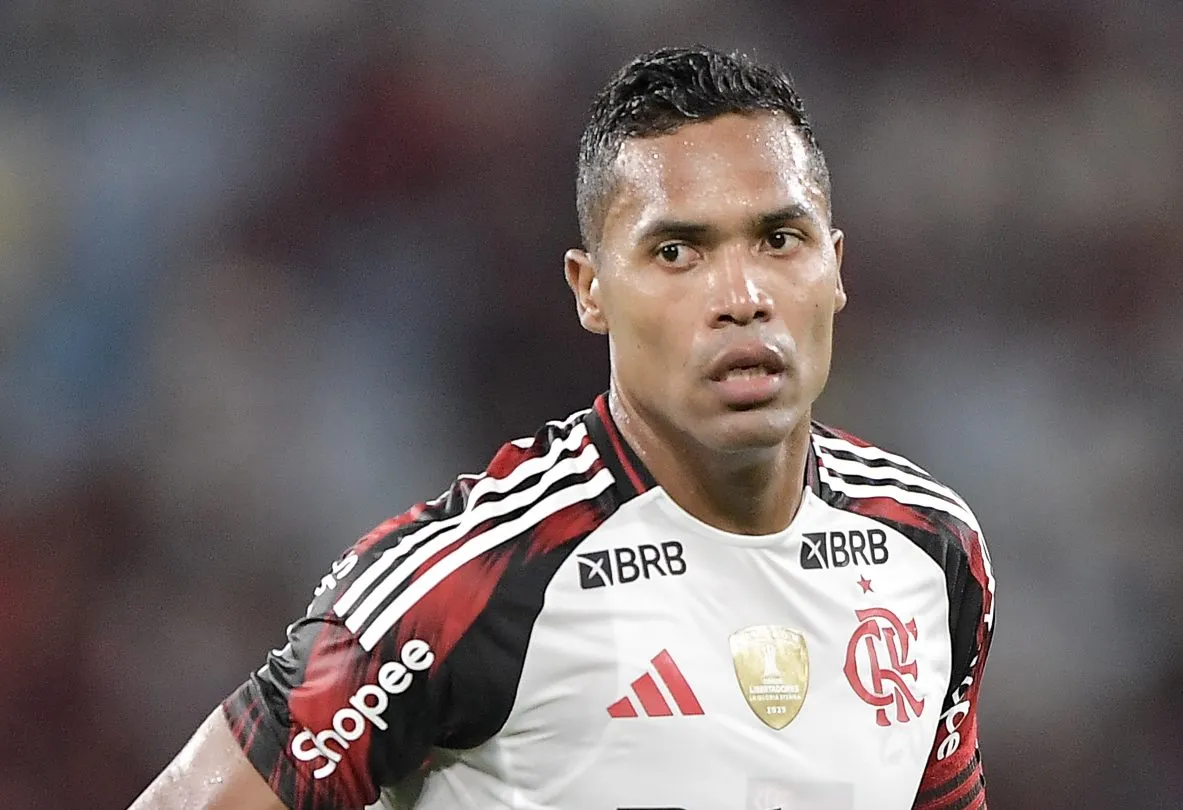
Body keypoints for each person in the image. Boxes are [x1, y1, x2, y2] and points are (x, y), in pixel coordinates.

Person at [128, 45, 996, 810]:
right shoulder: (469, 583)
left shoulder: (931, 551)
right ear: (590, 290)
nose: (742, 298)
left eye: (779, 238)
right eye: (676, 252)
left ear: (835, 267)